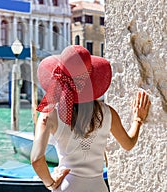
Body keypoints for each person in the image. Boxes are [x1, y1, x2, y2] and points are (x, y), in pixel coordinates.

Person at [30, 45, 151, 192]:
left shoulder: (50, 114)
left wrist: (50, 183)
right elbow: (128, 143)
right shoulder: (107, 113)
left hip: (68, 186)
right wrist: (138, 119)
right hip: (98, 187)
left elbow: (36, 159)